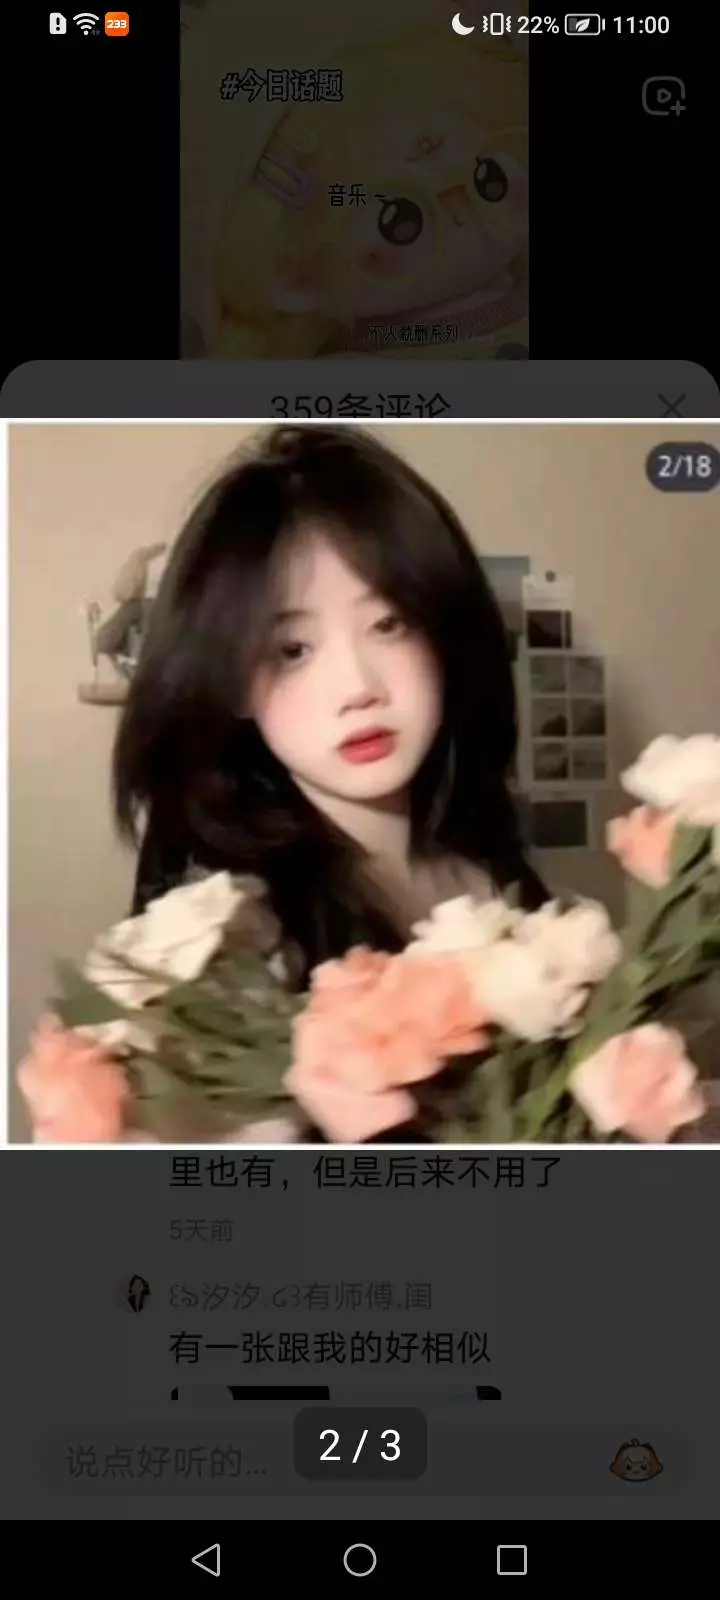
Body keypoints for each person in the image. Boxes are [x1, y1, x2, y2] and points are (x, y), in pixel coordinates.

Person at [21, 423, 547, 1144]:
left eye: (390, 624)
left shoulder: (497, 879)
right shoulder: (236, 946)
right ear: (232, 682)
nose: (358, 687)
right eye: (293, 649)